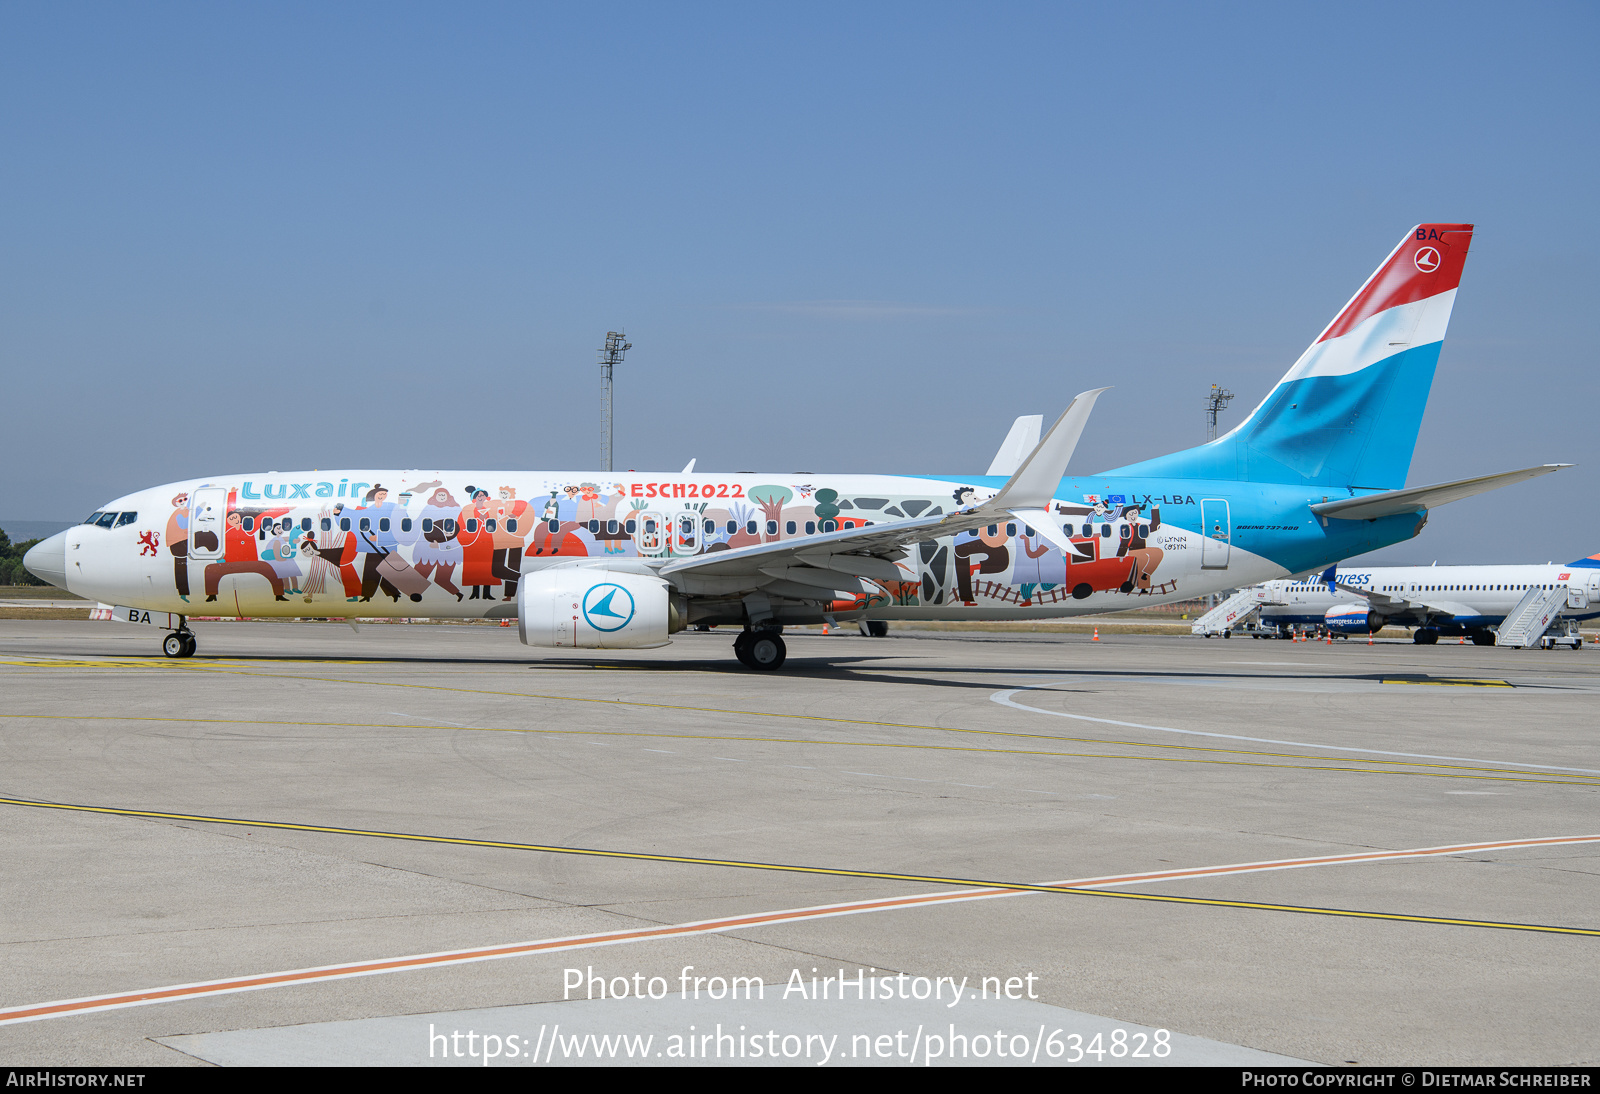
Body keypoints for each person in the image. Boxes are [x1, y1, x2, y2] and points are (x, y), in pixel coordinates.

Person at [204, 511, 287, 601]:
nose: (235, 520)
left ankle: (279, 595)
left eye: (236, 517)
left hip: (250, 562)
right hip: (232, 564)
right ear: (228, 521)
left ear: (239, 518)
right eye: (232, 519)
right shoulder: (228, 533)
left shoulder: (246, 529)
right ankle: (212, 595)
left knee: (272, 570)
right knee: (210, 569)